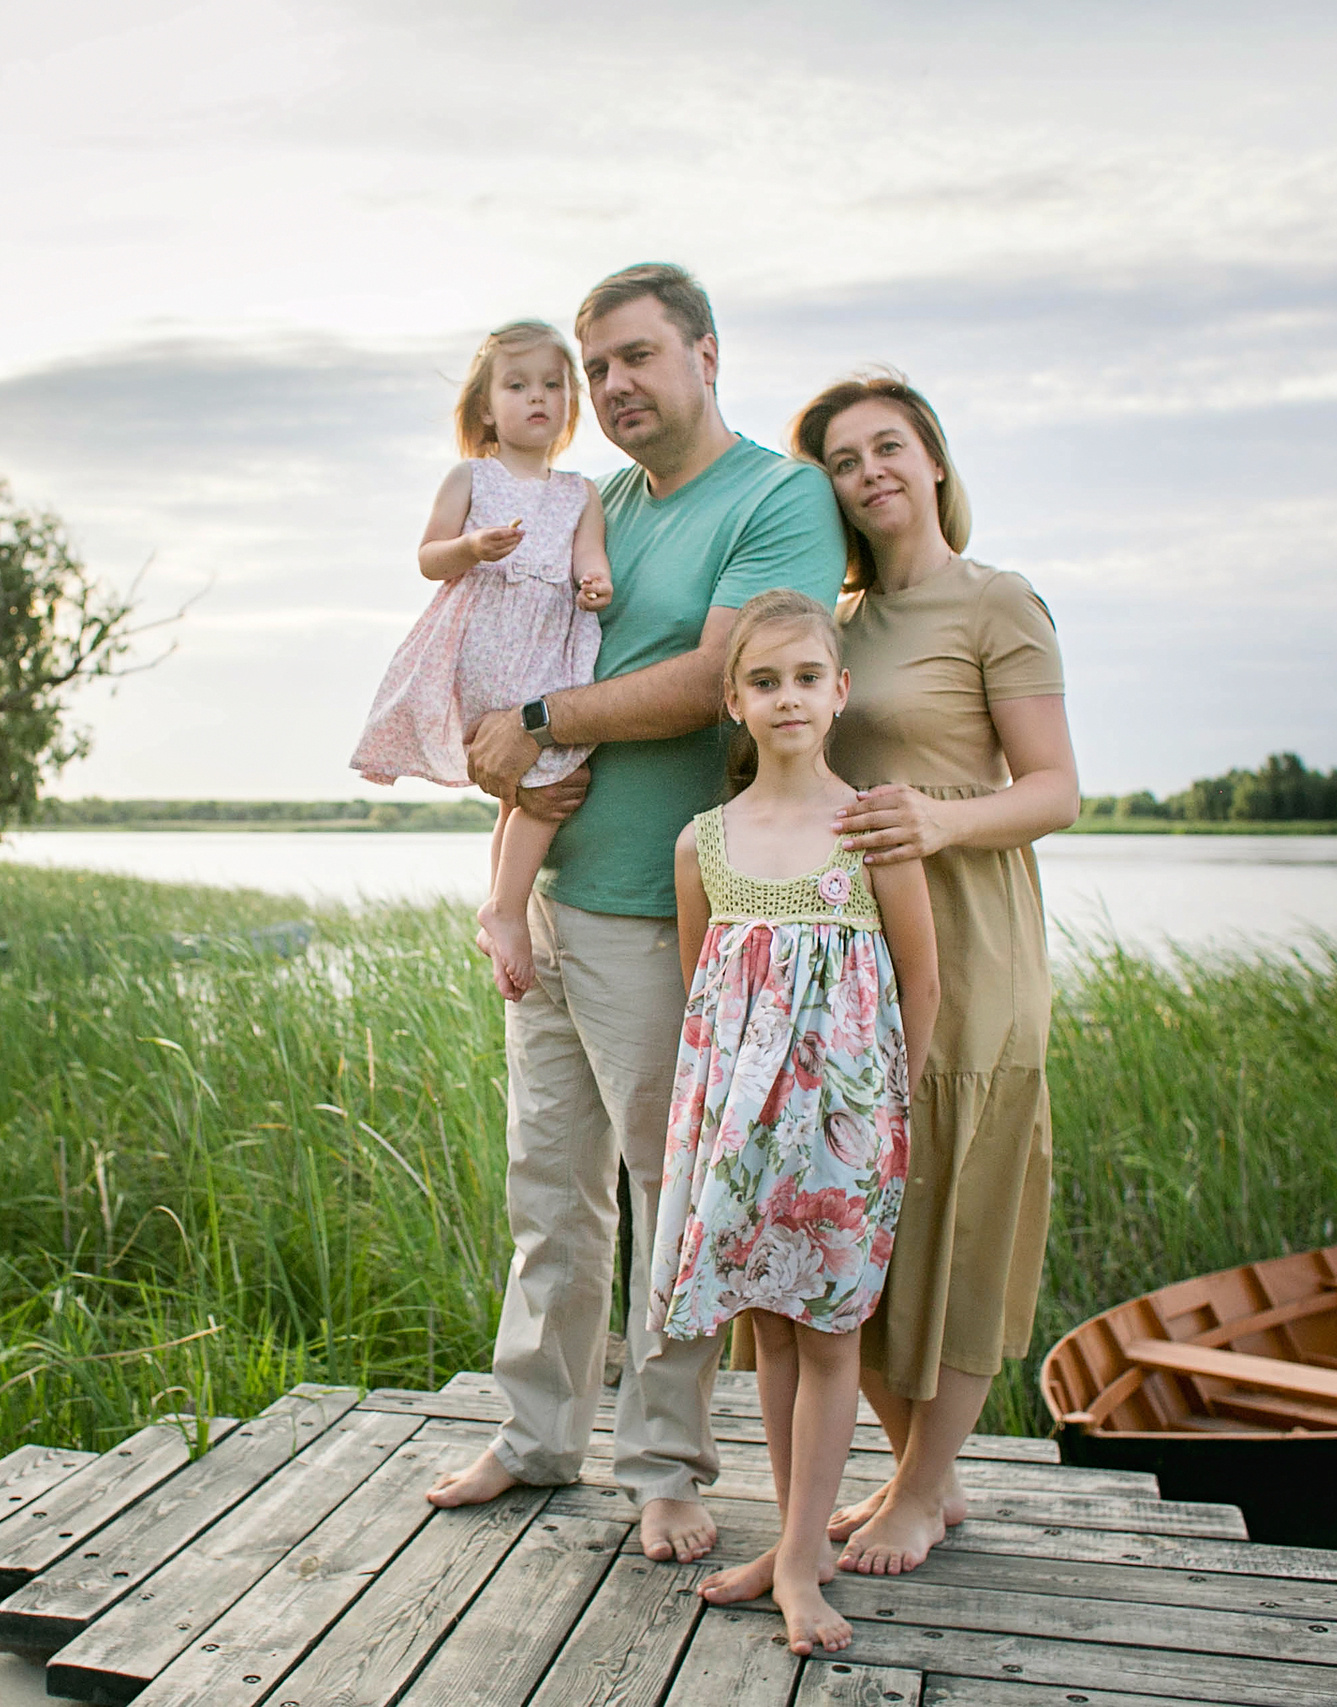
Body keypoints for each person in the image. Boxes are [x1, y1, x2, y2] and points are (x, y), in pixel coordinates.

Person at [425, 264, 844, 1567]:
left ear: (705, 356)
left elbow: (718, 674)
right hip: (547, 903)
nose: (609, 387)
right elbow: (505, 631)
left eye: (636, 358)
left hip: (666, 921)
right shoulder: (592, 498)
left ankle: (666, 1464)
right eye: (595, 365)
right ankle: (538, 1432)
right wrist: (492, 746)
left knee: (674, 1199)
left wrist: (543, 720)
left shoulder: (777, 499)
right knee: (548, 1191)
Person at [788, 369, 1080, 1576]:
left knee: (961, 1211)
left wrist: (940, 824)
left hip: (976, 938)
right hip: (854, 955)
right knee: (867, 1216)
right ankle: (924, 1476)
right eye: (845, 461)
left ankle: (920, 1486)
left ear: (936, 459)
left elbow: (1056, 789)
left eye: (889, 447)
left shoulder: (994, 602)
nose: (870, 473)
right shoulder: (829, 628)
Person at [649, 590, 938, 1655]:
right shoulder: (703, 844)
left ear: (839, 691)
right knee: (766, 1328)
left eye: (806, 678)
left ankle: (805, 1568)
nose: (787, 699)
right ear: (732, 700)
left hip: (847, 1132)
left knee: (829, 1334)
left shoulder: (870, 825)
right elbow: (704, 994)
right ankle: (791, 1546)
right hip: (741, 1133)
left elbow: (921, 979)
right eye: (763, 681)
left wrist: (889, 1110)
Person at [351, 320, 614, 998]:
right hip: (493, 642)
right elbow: (428, 556)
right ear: (486, 407)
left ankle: (503, 906)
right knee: (548, 773)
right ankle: (503, 907)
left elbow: (589, 556)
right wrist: (472, 548)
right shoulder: (473, 476)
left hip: (548, 641)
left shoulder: (581, 492)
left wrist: (595, 582)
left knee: (515, 795)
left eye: (553, 386)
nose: (538, 398)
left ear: (569, 404)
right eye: (519, 385)